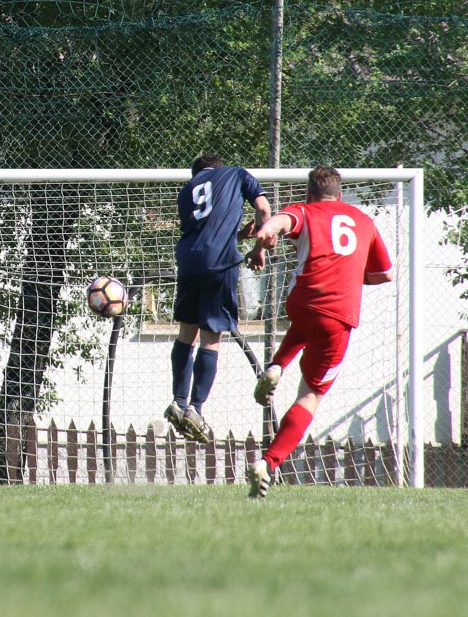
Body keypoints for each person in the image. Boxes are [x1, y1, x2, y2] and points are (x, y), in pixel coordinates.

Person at [246, 165, 394, 499]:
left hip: (301, 302)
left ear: (309, 193)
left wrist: (266, 231)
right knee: (310, 395)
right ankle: (268, 463)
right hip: (337, 315)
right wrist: (351, 274)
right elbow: (385, 274)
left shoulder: (305, 210)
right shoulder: (364, 221)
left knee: (305, 323)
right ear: (339, 194)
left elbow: (282, 221)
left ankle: (276, 365)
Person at [165, 152, 271, 443]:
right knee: (211, 338)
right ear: (218, 168)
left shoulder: (186, 191)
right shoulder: (236, 173)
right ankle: (196, 409)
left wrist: (236, 236)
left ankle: (178, 401)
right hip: (220, 266)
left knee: (186, 334)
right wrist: (258, 248)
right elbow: (264, 209)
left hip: (188, 262)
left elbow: (204, 233)